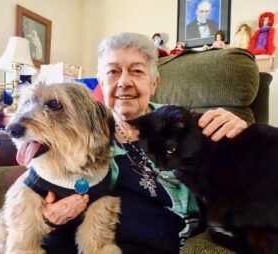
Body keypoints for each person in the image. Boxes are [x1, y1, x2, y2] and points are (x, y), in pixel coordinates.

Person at [18, 32, 247, 253]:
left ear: (154, 83)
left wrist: (241, 135)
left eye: (136, 71)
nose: (124, 82)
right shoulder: (79, 128)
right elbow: (36, 182)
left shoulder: (182, 123)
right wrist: (47, 217)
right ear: (101, 83)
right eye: (112, 72)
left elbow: (238, 172)